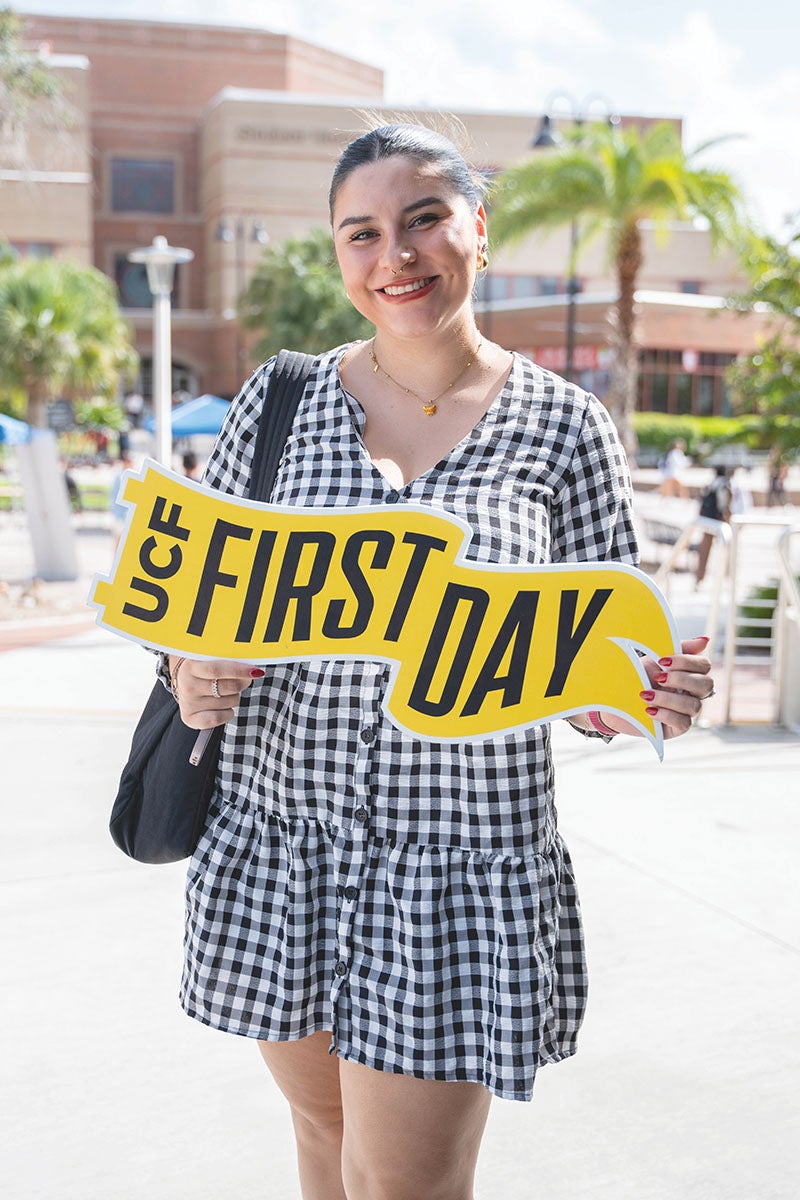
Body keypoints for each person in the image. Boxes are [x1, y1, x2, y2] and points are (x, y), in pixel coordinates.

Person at [163, 123, 715, 1200]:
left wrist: (639, 697)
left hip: (454, 868)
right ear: (336, 254)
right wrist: (189, 672)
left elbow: (591, 657)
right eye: (360, 233)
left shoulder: (564, 429)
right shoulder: (276, 405)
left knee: (404, 1183)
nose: (393, 256)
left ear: (476, 224)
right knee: (324, 1141)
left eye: (421, 219)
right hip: (286, 846)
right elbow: (187, 609)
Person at [695, 464, 732, 586]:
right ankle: (726, 577)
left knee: (704, 550)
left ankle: (699, 576)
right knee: (725, 548)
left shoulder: (711, 484)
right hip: (718, 520)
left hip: (707, 520)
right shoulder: (724, 485)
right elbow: (724, 504)